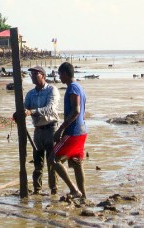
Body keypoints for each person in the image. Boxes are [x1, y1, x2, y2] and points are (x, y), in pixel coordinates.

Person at [52, 62, 88, 199]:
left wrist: (61, 129)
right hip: (82, 130)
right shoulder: (79, 87)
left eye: (60, 74)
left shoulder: (72, 88)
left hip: (73, 132)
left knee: (53, 159)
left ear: (65, 74)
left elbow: (76, 111)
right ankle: (83, 196)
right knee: (77, 163)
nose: (59, 77)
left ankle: (74, 190)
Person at [23, 65, 60, 195]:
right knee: (37, 162)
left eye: (35, 74)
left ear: (43, 75)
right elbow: (24, 107)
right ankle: (37, 190)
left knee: (52, 161)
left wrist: (32, 111)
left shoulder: (52, 90)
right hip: (38, 130)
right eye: (31, 74)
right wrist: (20, 113)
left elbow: (50, 108)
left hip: (51, 128)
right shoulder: (30, 93)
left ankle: (53, 190)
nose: (32, 77)